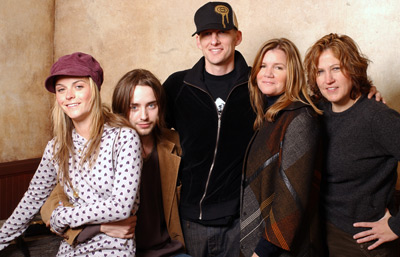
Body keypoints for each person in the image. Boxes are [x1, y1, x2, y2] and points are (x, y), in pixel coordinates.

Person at [0, 52, 142, 256]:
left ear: (94, 89)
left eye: (78, 86)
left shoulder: (124, 138)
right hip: (71, 248)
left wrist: (61, 217)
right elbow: (32, 200)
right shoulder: (56, 148)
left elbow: (120, 207)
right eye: (61, 89)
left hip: (114, 249)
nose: (69, 96)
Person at [41, 69, 191, 257]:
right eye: (133, 107)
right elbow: (50, 206)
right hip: (115, 249)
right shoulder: (97, 145)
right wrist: (99, 228)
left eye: (151, 106)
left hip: (167, 251)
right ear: (120, 109)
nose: (143, 116)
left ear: (160, 107)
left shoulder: (175, 143)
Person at [163, 2, 256, 256]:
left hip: (241, 220)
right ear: (198, 41)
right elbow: (144, 124)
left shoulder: (258, 85)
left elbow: (297, 105)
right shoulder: (177, 86)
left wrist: (361, 91)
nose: (214, 40)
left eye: (222, 32)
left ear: (237, 37)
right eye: (206, 34)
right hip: (190, 220)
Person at [304, 33, 400, 256]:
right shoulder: (318, 110)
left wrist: (396, 226)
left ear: (353, 69)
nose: (328, 79)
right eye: (320, 71)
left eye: (336, 69)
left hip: (359, 242)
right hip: (322, 230)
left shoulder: (377, 117)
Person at [239, 38, 323, 257]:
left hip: (279, 248)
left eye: (278, 67)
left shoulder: (301, 118)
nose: (268, 73)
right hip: (260, 240)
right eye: (263, 66)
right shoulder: (270, 115)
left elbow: (291, 196)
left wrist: (262, 251)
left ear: (292, 73)